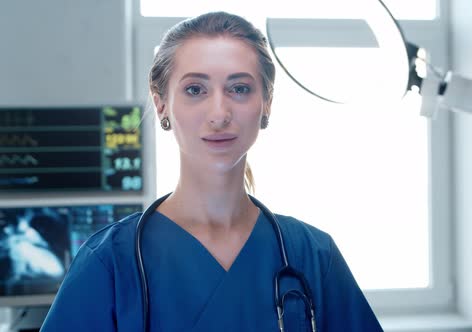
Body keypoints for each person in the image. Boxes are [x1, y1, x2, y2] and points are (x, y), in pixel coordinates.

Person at [40, 11, 383, 331]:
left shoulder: (312, 256)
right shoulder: (111, 262)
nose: (219, 113)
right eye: (195, 90)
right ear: (161, 103)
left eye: (239, 88)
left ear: (266, 103)